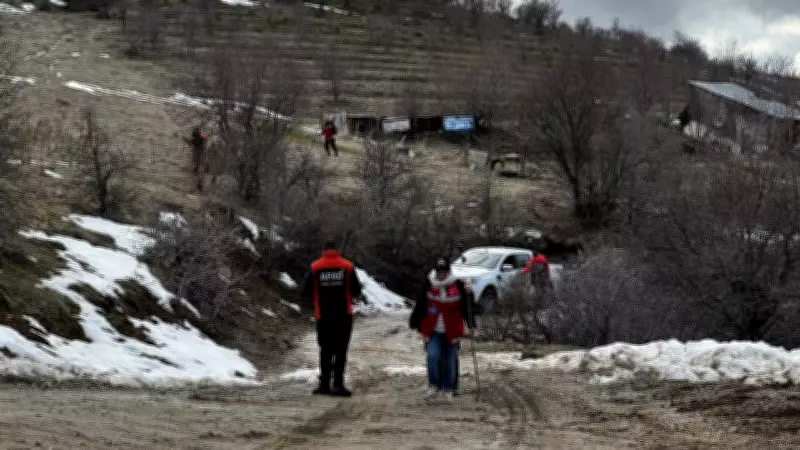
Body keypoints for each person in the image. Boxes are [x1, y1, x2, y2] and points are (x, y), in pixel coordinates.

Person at [410, 256, 477, 403]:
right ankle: (434, 385)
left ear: (448, 271)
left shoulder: (458, 285)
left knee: (449, 361)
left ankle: (449, 388)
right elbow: (421, 303)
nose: (441, 274)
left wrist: (470, 294)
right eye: (439, 271)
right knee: (432, 357)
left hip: (452, 331)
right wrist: (414, 322)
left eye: (444, 271)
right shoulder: (429, 284)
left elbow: (468, 306)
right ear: (435, 271)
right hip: (432, 329)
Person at [302, 242, 362, 397]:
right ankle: (338, 385)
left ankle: (324, 385)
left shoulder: (315, 267)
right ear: (338, 250)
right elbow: (356, 289)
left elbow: (306, 290)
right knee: (341, 351)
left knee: (325, 350)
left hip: (323, 315)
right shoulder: (347, 266)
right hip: (343, 315)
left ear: (323, 251)